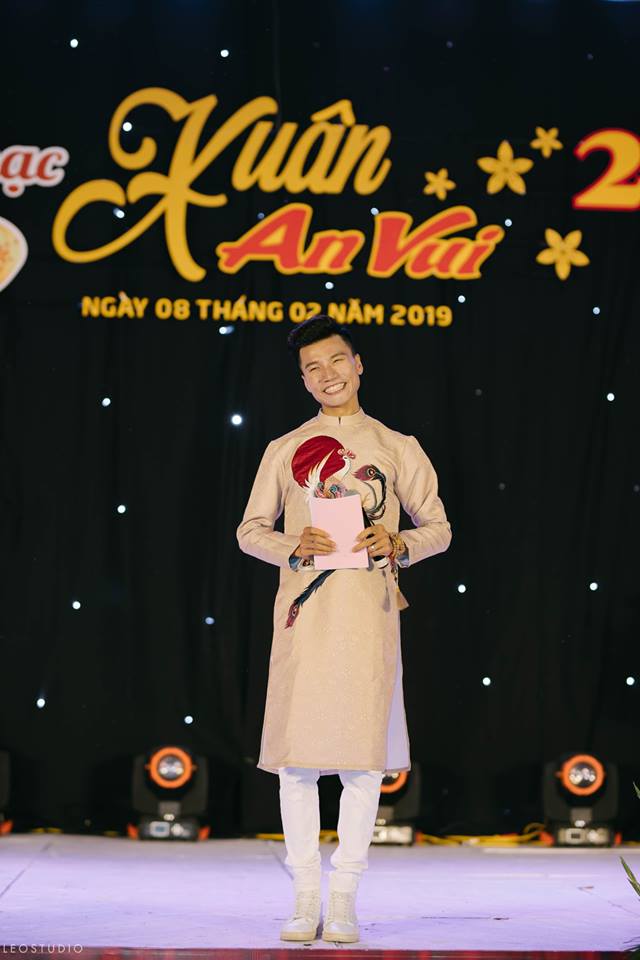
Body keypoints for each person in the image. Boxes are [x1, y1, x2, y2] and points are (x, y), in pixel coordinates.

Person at [236, 314, 452, 943]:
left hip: (368, 618)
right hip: (304, 620)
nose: (327, 375)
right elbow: (249, 532)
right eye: (313, 368)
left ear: (358, 365)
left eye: (336, 361)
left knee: (362, 765)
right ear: (303, 381)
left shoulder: (396, 445)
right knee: (297, 766)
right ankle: (305, 898)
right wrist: (293, 545)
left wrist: (398, 541)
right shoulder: (283, 448)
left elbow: (439, 528)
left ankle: (346, 899)